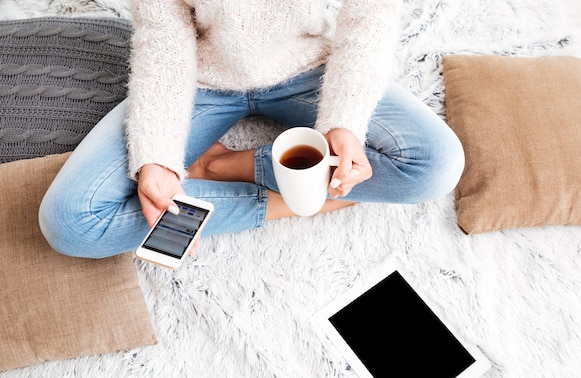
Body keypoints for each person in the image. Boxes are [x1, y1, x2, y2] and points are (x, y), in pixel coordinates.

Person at [39, 0, 465, 259]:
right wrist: (156, 156)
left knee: (435, 166)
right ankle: (303, 200)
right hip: (199, 81)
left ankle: (223, 166)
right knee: (70, 223)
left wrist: (345, 121)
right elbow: (164, 43)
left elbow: (369, 21)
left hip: (306, 68)